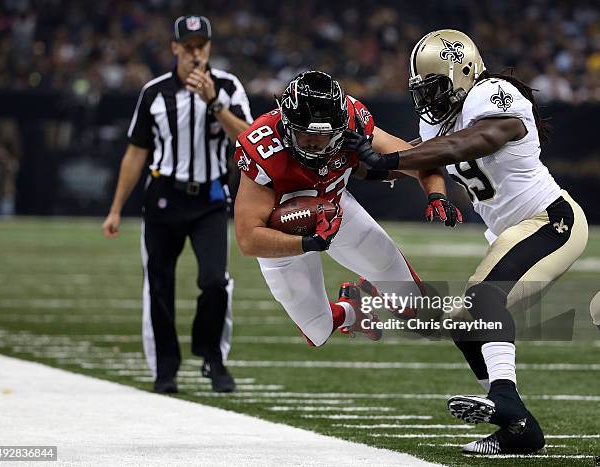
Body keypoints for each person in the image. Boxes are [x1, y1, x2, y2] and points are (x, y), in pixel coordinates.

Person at [344, 29, 588, 455]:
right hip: (513, 231)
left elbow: (476, 141)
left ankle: (506, 403)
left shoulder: (491, 93)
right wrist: (352, 162)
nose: (428, 99)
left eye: (436, 86)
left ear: (463, 72)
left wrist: (388, 158)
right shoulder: (437, 120)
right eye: (422, 90)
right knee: (463, 324)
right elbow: (416, 158)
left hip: (551, 220)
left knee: (484, 299)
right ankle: (519, 429)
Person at [233, 70, 461, 348]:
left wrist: (436, 195)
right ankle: (352, 310)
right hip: (282, 231)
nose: (316, 144)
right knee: (317, 330)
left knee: (419, 311)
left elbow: (421, 160)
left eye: (326, 135)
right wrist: (309, 242)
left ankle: (375, 284)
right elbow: (248, 239)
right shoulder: (263, 146)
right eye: (306, 136)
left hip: (335, 209)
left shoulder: (353, 120)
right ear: (288, 125)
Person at [102, 15, 252, 394]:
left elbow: (249, 140)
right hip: (164, 198)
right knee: (159, 283)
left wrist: (214, 102)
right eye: (188, 46)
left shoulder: (228, 87)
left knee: (215, 280)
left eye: (201, 45)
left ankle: (213, 358)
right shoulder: (154, 92)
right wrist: (116, 207)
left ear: (210, 47)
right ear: (174, 48)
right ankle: (165, 369)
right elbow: (135, 153)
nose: (195, 52)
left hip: (211, 198)